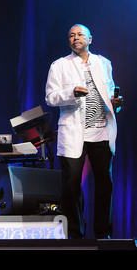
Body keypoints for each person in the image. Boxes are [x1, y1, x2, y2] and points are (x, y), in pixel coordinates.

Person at [45, 24, 123, 239]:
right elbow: (50, 97)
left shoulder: (103, 63)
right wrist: (72, 93)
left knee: (104, 185)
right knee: (71, 186)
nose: (75, 38)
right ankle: (74, 235)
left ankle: (103, 233)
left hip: (102, 132)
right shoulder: (60, 65)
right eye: (71, 35)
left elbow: (109, 94)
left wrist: (115, 102)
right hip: (74, 133)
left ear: (90, 39)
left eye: (80, 34)